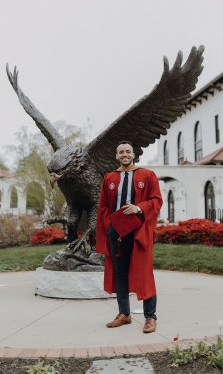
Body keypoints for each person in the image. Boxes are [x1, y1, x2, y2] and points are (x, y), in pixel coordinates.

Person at [96, 141, 163, 333]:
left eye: (127, 151)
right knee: (119, 273)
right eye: (121, 152)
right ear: (116, 156)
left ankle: (150, 317)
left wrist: (139, 207)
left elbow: (157, 199)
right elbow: (103, 207)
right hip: (116, 230)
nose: (124, 154)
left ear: (133, 154)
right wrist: (110, 225)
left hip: (138, 230)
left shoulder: (147, 175)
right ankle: (124, 313)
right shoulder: (109, 178)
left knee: (144, 271)